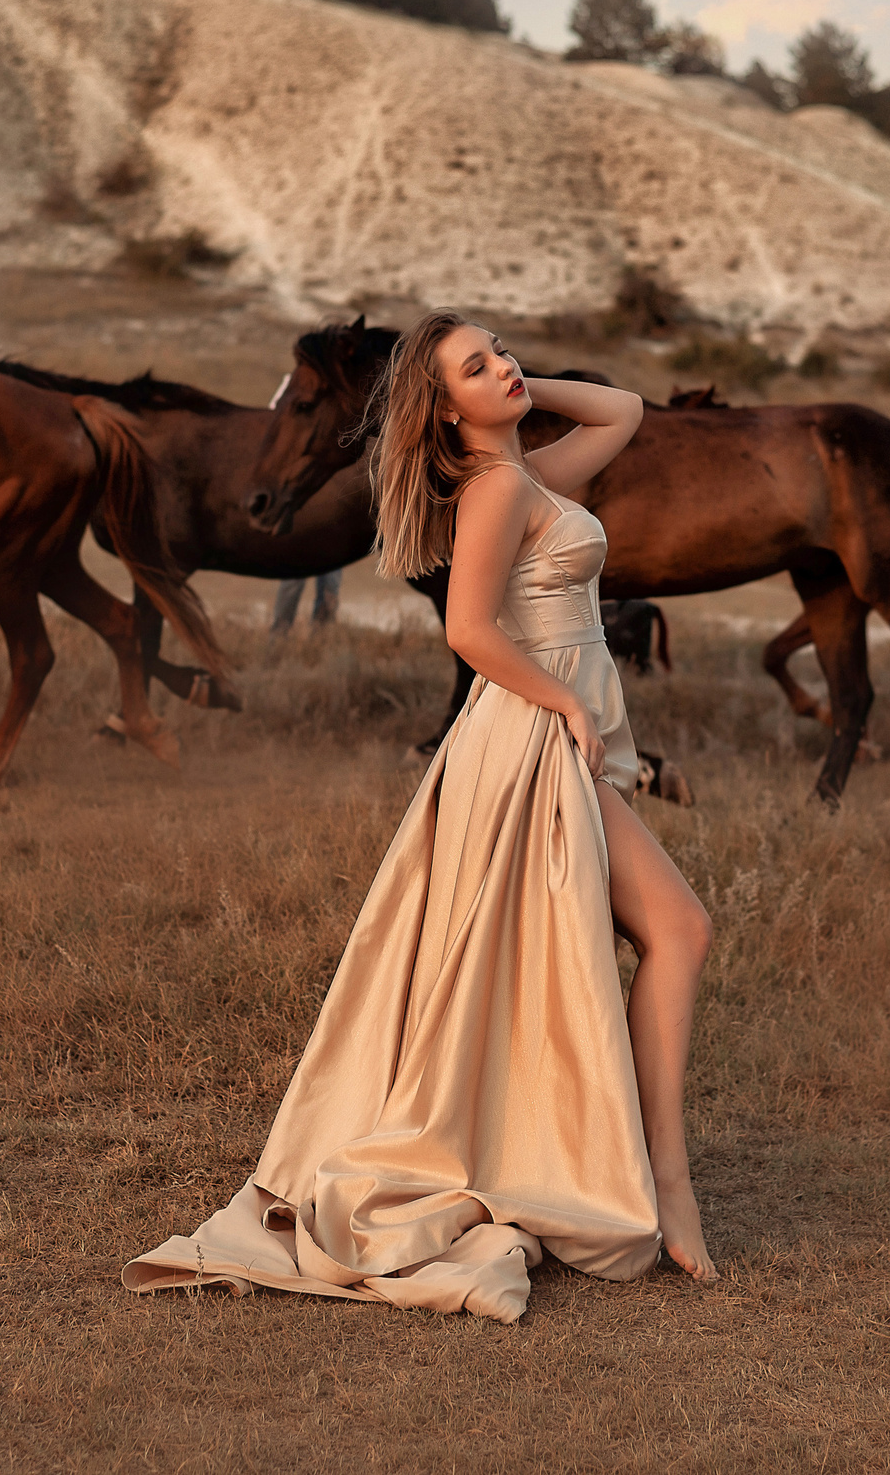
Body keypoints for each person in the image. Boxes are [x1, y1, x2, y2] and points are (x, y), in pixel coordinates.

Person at [123, 309, 718, 1322]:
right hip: (527, 736)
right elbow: (469, 628)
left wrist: (515, 392)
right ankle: (661, 1182)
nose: (506, 368)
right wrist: (569, 699)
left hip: (545, 738)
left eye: (503, 353)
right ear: (442, 411)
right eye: (477, 368)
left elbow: (621, 407)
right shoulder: (494, 492)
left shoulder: (528, 476)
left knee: (647, 936)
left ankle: (646, 1174)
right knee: (678, 926)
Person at [266, 370, 341, 632]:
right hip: (302, 506)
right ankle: (280, 636)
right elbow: (274, 414)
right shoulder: (294, 384)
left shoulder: (338, 389)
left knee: (330, 578)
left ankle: (320, 638)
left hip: (329, 506)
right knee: (295, 575)